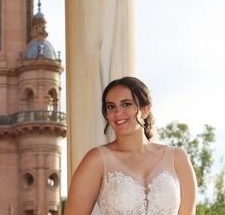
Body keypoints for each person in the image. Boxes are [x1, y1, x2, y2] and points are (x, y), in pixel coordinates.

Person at [65, 76, 197, 214]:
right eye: (111, 106)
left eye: (126, 104)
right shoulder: (97, 159)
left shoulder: (177, 158)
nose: (117, 113)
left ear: (145, 110)